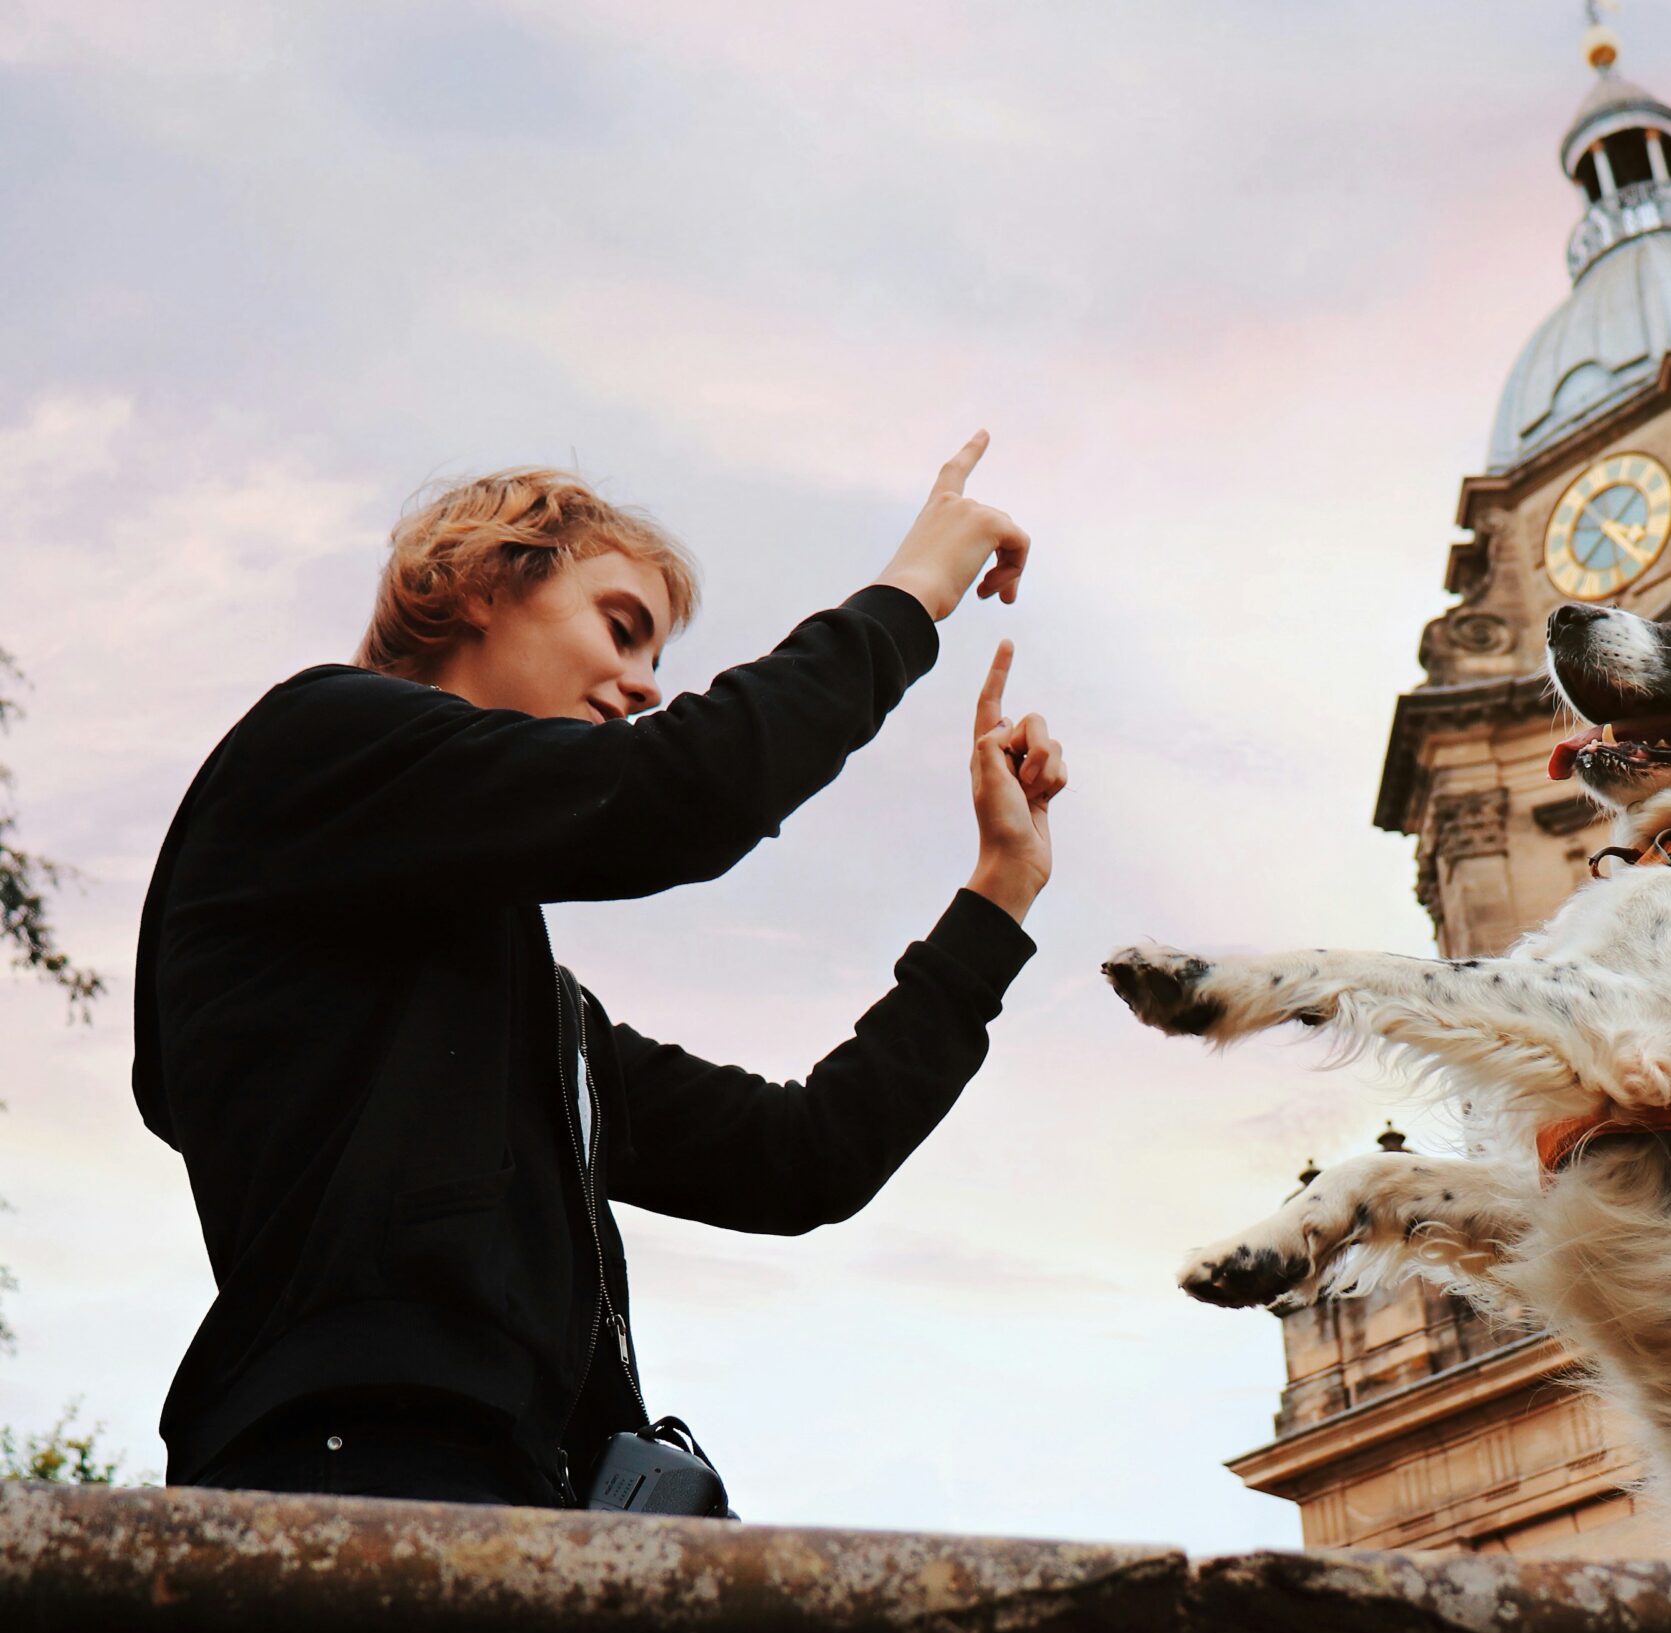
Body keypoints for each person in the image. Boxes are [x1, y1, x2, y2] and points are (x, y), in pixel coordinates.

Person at [132, 433, 1062, 1507]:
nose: (645, 685)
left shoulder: (529, 1019)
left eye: (659, 657)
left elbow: (804, 1156)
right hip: (350, 1470)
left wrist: (1001, 890)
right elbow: (681, 794)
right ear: (483, 580)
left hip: (531, 1501)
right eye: (622, 628)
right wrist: (911, 595)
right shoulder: (310, 746)